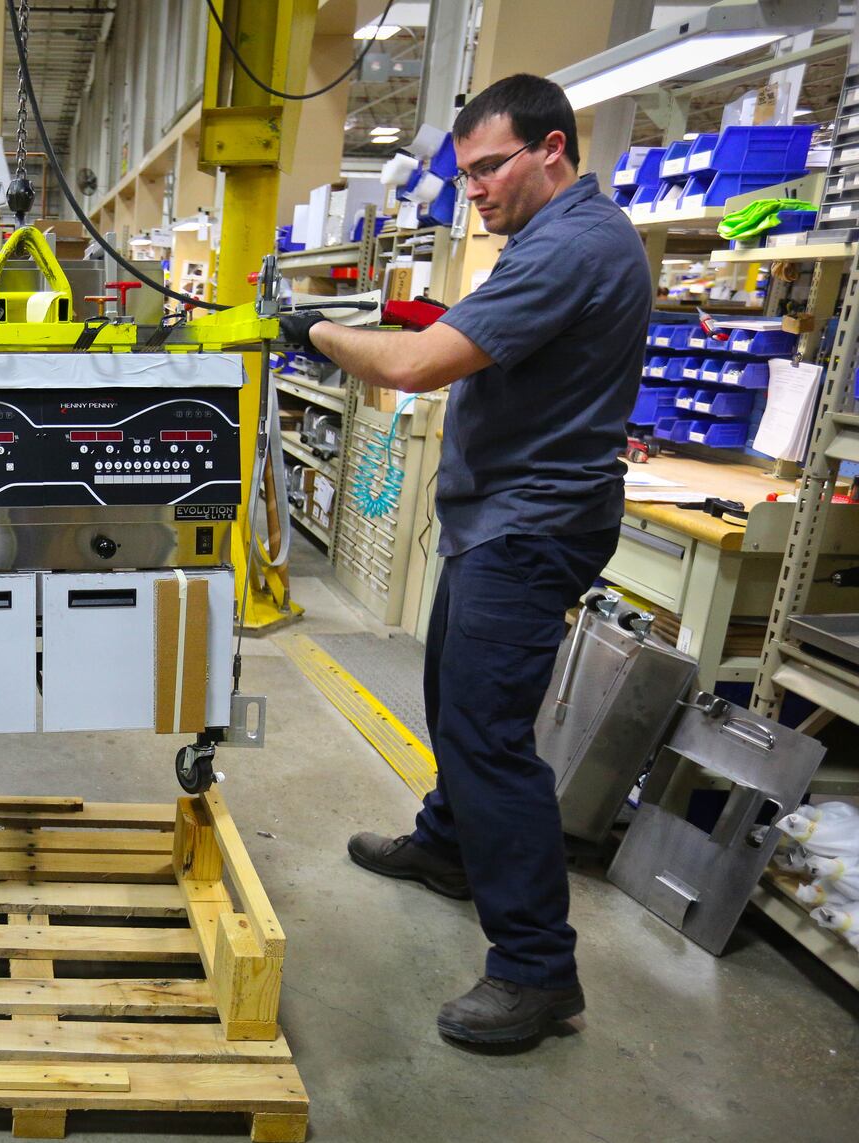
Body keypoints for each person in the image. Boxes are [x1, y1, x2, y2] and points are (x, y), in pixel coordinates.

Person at [279, 74, 650, 1046]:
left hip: (532, 527)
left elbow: (412, 371)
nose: (473, 189)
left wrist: (308, 331)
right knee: (453, 702)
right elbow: (475, 344)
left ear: (553, 151)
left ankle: (536, 970)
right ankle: (447, 846)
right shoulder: (551, 242)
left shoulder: (571, 245)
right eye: (464, 172)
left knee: (487, 736)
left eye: (489, 168)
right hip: (501, 519)